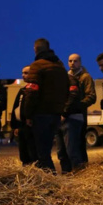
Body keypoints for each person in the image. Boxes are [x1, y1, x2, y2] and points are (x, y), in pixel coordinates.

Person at [27, 39, 69, 172]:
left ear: (35, 49)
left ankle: (50, 181)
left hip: (41, 114)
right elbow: (66, 90)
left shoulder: (37, 66)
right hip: (55, 114)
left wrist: (27, 114)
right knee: (47, 150)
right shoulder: (60, 67)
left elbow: (32, 92)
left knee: (42, 154)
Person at [68, 54, 97, 165]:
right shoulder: (67, 76)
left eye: (75, 61)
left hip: (79, 116)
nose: (72, 63)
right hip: (67, 115)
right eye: (70, 61)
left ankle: (82, 169)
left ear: (80, 62)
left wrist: (77, 106)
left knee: (79, 144)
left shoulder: (85, 77)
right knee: (69, 146)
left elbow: (91, 96)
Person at [57, 73, 85, 172]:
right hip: (63, 118)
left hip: (70, 118)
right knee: (62, 152)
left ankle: (78, 175)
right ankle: (67, 176)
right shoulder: (62, 80)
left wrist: (64, 113)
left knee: (71, 151)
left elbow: (73, 96)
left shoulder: (69, 80)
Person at [10, 66, 38, 165]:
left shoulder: (36, 89)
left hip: (30, 125)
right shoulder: (23, 90)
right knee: (23, 153)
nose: (23, 75)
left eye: (26, 73)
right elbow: (16, 107)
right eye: (23, 73)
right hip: (21, 125)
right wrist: (15, 126)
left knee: (32, 152)